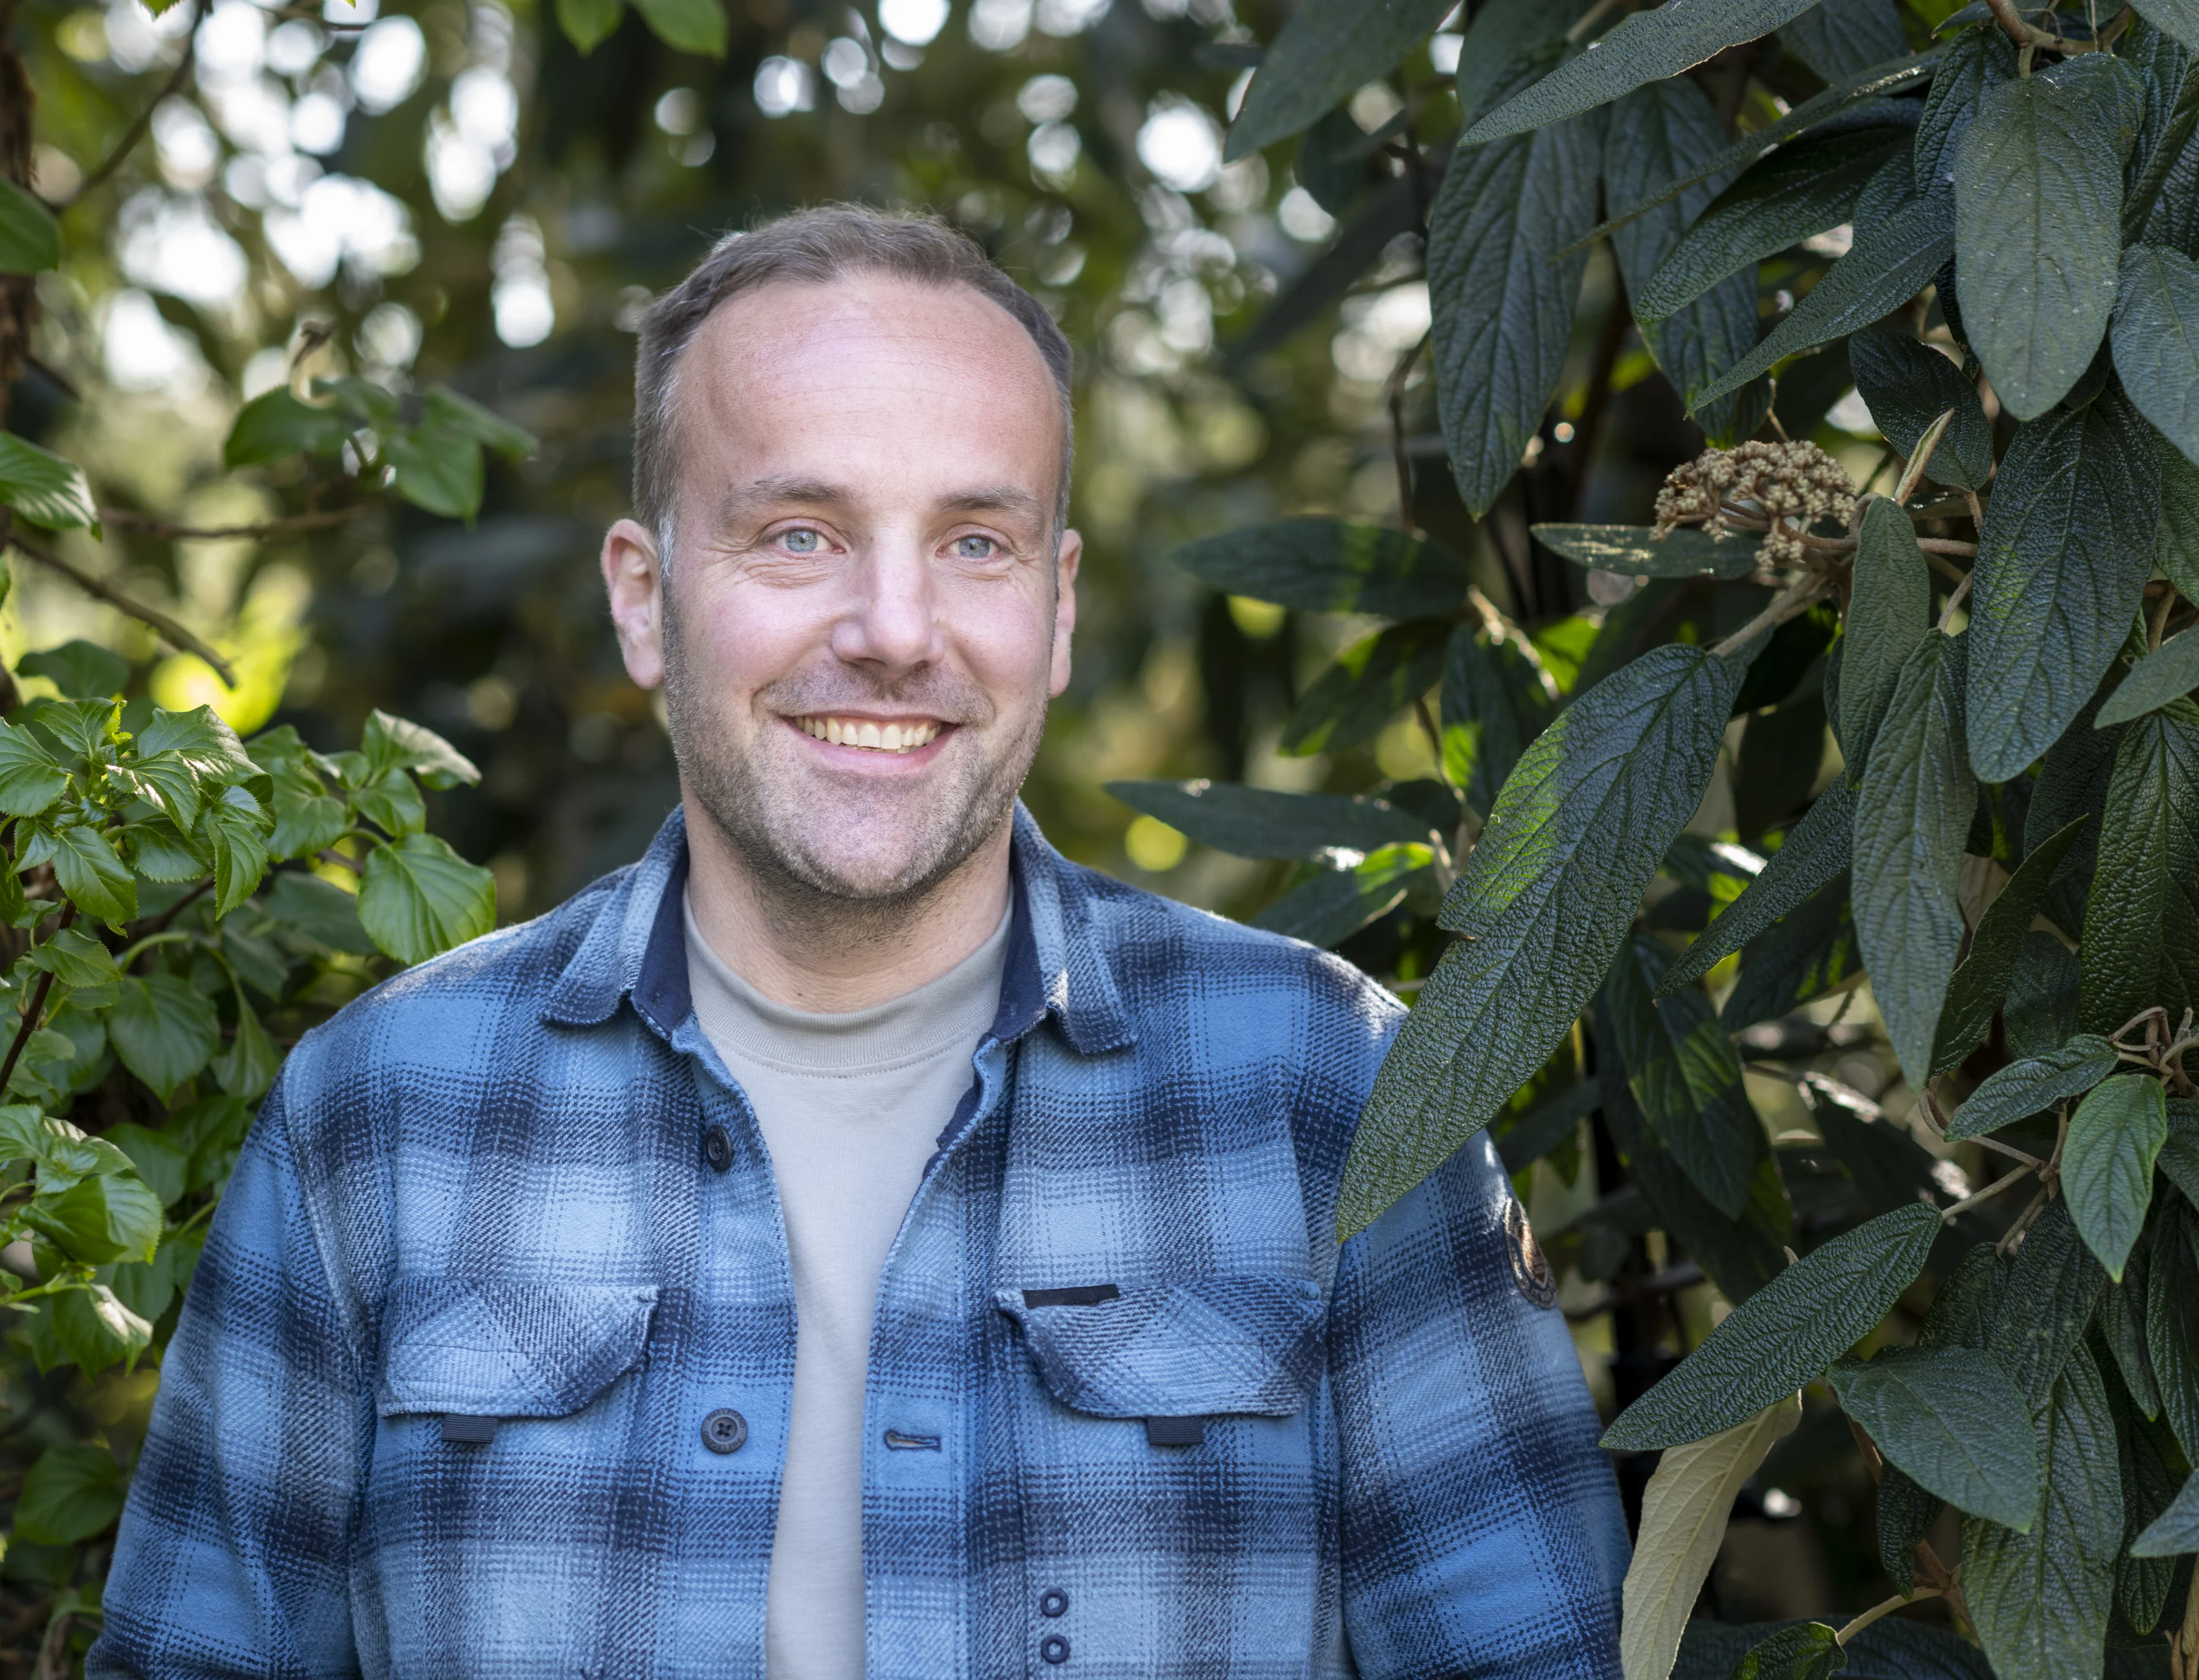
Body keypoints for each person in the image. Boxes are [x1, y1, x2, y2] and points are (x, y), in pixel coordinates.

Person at [91, 203, 1627, 1680]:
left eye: (975, 542)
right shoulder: (378, 1116)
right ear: (646, 598)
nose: (896, 628)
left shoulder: (1333, 1093)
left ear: (1059, 608)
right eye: (801, 533)